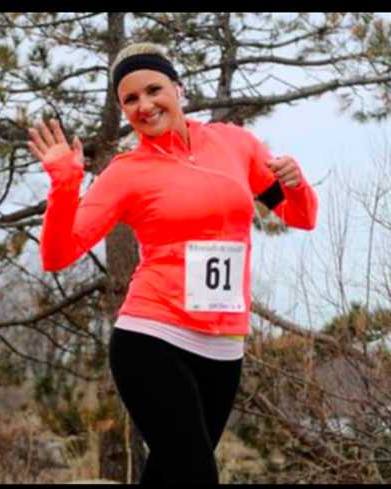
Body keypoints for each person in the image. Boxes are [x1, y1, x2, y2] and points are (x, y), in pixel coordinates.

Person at [27, 42, 317, 484]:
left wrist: (295, 182)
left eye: (153, 90)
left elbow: (302, 216)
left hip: (224, 346)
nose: (144, 105)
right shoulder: (127, 172)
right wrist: (65, 185)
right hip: (153, 336)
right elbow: (56, 255)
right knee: (196, 474)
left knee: (169, 474)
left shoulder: (234, 144)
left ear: (178, 89)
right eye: (130, 99)